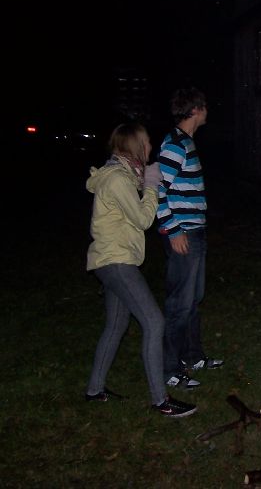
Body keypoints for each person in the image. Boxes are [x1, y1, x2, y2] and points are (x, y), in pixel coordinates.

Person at [85, 123, 196, 418]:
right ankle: (161, 400)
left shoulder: (121, 175)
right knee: (154, 322)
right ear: (134, 145)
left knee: (116, 325)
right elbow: (144, 219)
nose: (150, 147)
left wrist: (145, 181)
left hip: (112, 260)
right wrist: (151, 185)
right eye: (146, 142)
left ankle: (94, 390)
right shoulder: (117, 179)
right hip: (116, 262)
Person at [158, 87, 223, 390]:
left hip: (195, 231)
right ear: (195, 109)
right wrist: (173, 230)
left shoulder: (186, 142)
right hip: (183, 234)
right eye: (204, 106)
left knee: (192, 300)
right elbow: (156, 189)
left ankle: (192, 356)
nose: (207, 110)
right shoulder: (175, 145)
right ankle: (169, 370)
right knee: (179, 304)